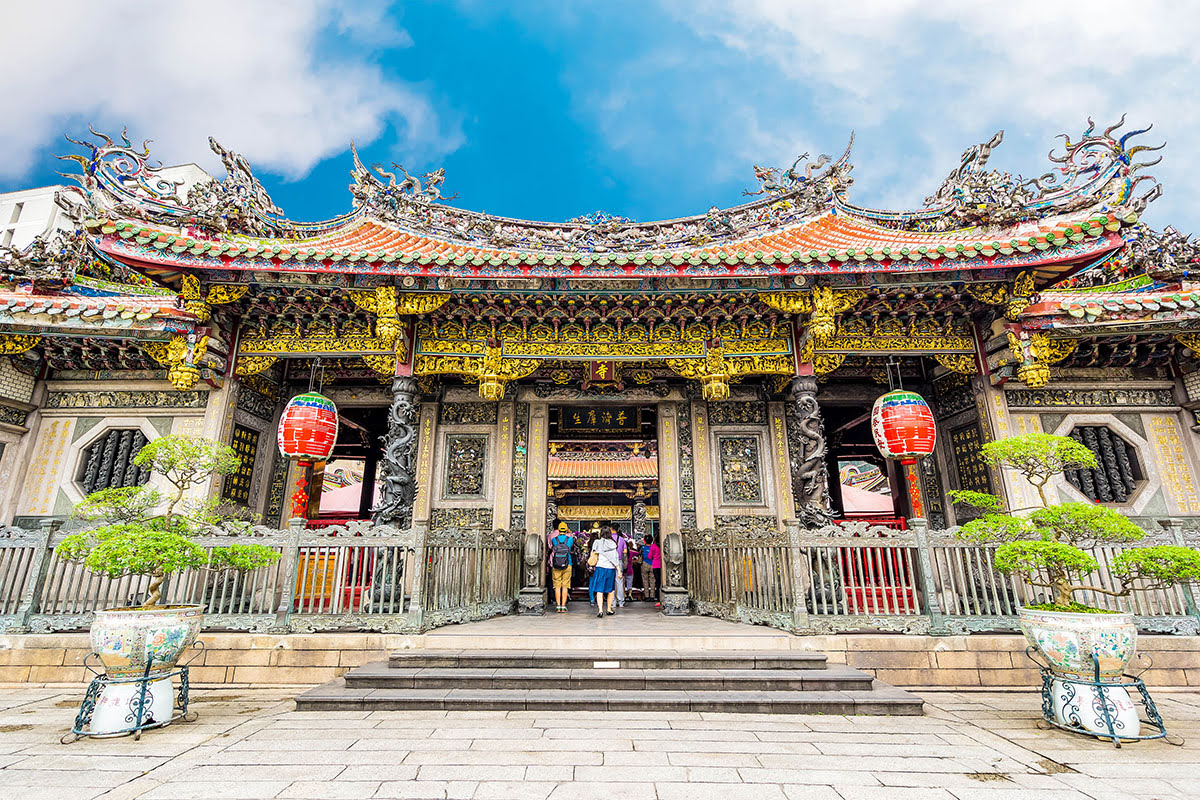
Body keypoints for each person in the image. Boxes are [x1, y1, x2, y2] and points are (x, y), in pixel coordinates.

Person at [588, 524, 619, 617]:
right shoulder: (613, 544)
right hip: (610, 569)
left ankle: (600, 610)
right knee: (610, 590)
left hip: (600, 568)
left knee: (599, 590)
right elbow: (615, 558)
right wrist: (619, 570)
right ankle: (609, 609)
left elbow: (593, 553)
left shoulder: (597, 542)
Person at [548, 522, 574, 613]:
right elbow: (571, 547)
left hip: (556, 564)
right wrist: (569, 532)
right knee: (565, 586)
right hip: (568, 564)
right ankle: (563, 606)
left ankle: (558, 605)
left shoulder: (554, 539)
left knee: (557, 586)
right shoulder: (570, 539)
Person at [640, 533, 659, 603]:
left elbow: (640, 554)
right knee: (652, 581)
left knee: (645, 581)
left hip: (644, 564)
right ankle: (652, 596)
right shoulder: (654, 547)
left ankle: (646, 596)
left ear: (644, 540)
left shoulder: (643, 547)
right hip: (653, 564)